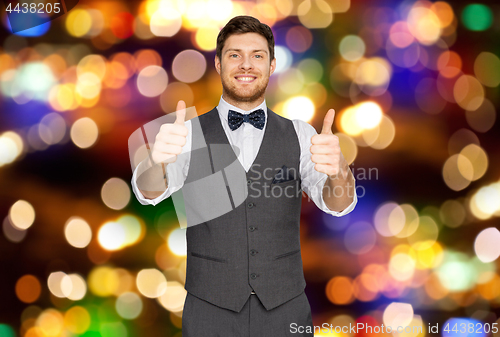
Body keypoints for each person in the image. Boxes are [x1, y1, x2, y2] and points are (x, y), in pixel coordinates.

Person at [131, 15, 357, 337]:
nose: (246, 65)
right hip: (209, 309)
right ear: (219, 64)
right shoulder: (187, 134)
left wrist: (339, 170)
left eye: (257, 56)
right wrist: (157, 160)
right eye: (235, 55)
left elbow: (339, 204)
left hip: (286, 308)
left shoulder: (301, 134)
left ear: (272, 64)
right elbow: (147, 193)